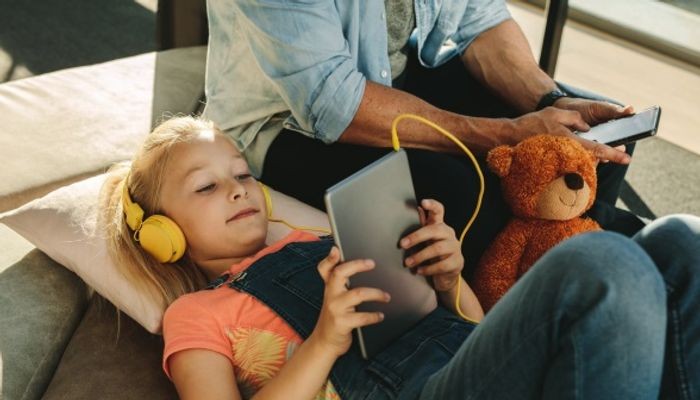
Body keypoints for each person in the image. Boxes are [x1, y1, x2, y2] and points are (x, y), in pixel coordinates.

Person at [100, 116, 699, 399]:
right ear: (161, 235)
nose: (235, 188)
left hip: (472, 371)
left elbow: (472, 330)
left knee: (680, 241)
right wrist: (324, 342)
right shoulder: (197, 314)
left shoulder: (320, 240)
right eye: (204, 187)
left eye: (240, 173)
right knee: (601, 266)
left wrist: (449, 279)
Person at [202, 0, 645, 277]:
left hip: (386, 75)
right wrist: (506, 135)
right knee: (461, 194)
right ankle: (551, 297)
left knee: (593, 146)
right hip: (284, 122)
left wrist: (548, 101)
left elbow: (482, 18)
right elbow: (333, 102)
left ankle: (584, 260)